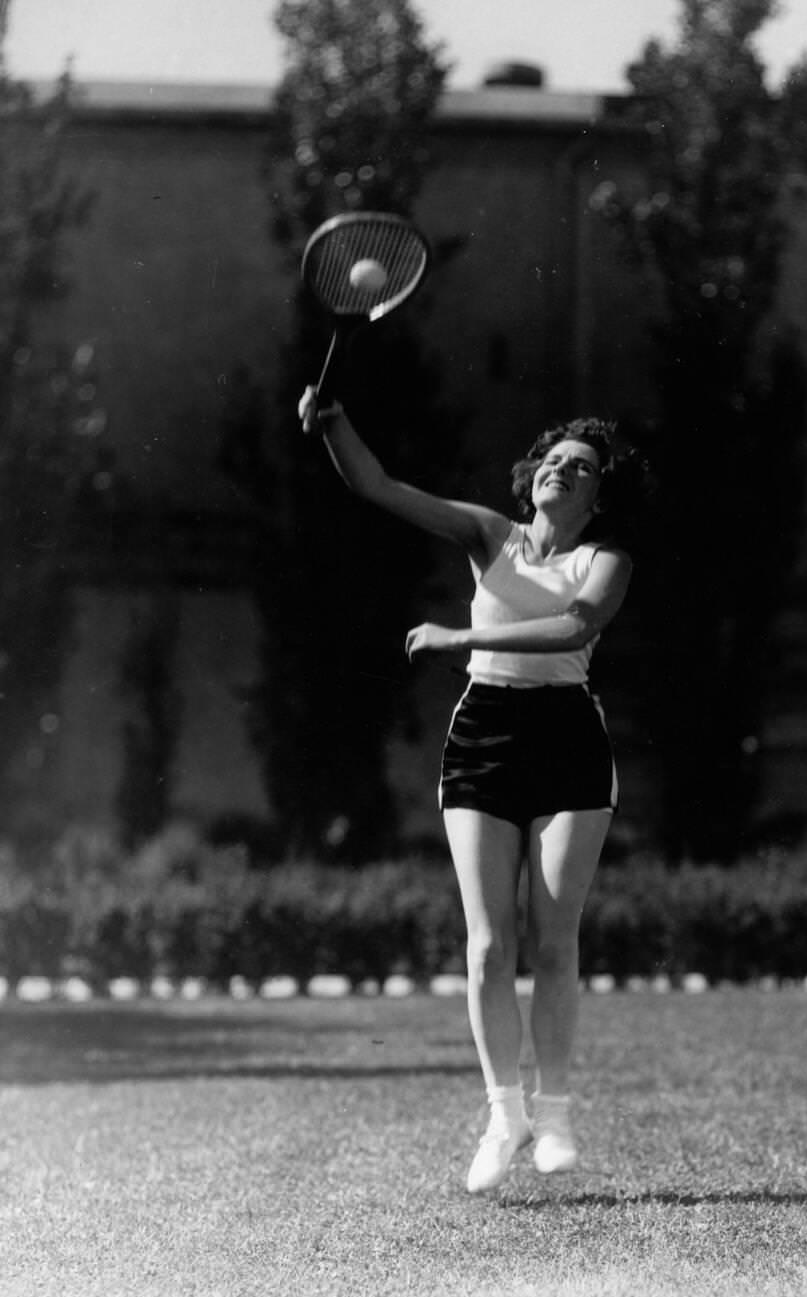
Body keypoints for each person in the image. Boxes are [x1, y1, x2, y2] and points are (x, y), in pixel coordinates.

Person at [298, 385, 642, 1194]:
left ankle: (553, 1113)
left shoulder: (607, 560)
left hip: (568, 740)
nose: (562, 469)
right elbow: (377, 486)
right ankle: (505, 1113)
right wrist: (336, 423)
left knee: (553, 935)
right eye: (553, 460)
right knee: (489, 942)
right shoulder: (490, 533)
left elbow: (575, 626)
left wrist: (463, 634)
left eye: (581, 466)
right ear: (533, 478)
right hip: (483, 735)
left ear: (599, 492)